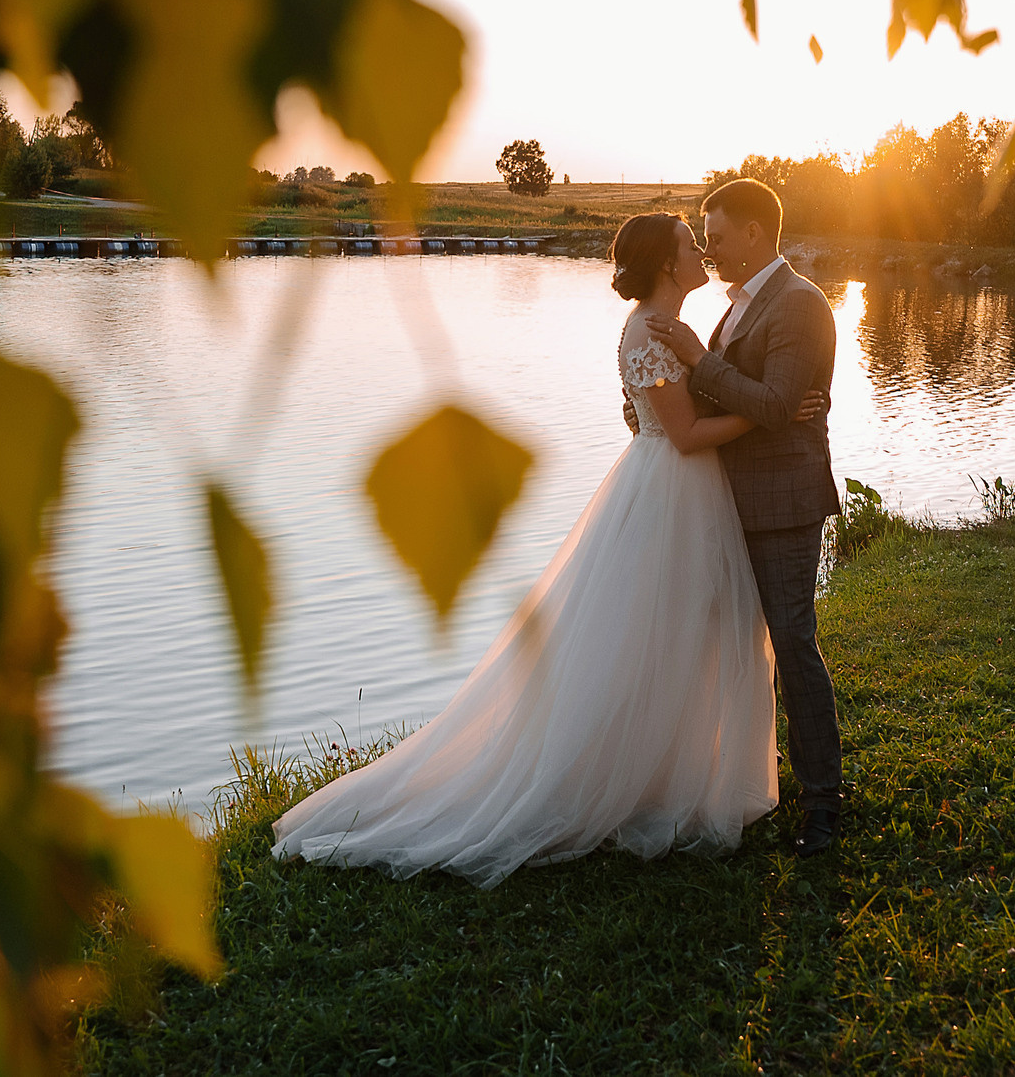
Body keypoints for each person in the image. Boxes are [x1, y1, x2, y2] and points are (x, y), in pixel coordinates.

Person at [270, 212, 822, 886]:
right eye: (689, 242)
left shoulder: (675, 328)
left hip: (685, 491)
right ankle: (617, 781)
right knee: (647, 640)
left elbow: (667, 405)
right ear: (667, 265)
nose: (701, 248)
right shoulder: (652, 329)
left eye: (706, 237)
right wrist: (772, 409)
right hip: (671, 487)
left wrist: (714, 390)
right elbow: (680, 432)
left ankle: (670, 773)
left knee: (678, 639)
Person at [642, 176, 844, 859]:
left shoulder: (799, 303)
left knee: (792, 643)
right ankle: (735, 781)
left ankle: (824, 804)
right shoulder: (738, 308)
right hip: (728, 499)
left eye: (719, 235)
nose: (710, 246)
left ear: (755, 232)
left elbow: (777, 401)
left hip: (783, 503)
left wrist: (700, 358)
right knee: (730, 650)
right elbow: (749, 400)